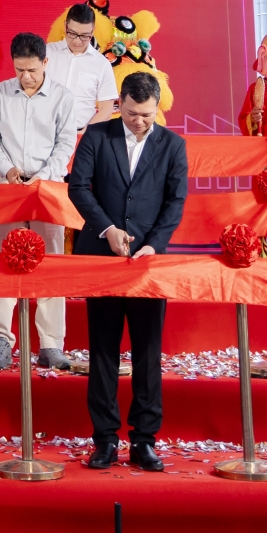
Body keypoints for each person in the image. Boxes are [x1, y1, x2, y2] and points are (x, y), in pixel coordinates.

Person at [69, 69, 187, 472]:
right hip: (102, 257)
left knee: (147, 351)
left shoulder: (173, 145)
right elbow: (78, 187)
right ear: (120, 104)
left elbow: (175, 201)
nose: (139, 122)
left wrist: (154, 243)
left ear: (157, 108)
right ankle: (104, 439)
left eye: (147, 115)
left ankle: (144, 440)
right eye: (133, 113)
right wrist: (107, 229)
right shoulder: (97, 136)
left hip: (148, 262)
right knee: (102, 350)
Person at [0, 31, 81, 372]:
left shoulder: (63, 97)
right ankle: (2, 339)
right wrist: (6, 168)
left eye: (32, 70)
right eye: (20, 70)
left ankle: (51, 343)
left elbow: (66, 143)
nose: (26, 77)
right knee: (2, 262)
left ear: (45, 63)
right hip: (8, 189)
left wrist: (44, 176)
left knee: (51, 262)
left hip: (47, 191)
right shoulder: (0, 93)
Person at [47, 2, 121, 136]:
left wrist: (86, 132)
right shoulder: (47, 53)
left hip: (81, 134)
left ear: (93, 31)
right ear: (65, 26)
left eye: (84, 36)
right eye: (72, 33)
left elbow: (106, 109)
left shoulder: (102, 64)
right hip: (44, 132)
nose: (77, 41)